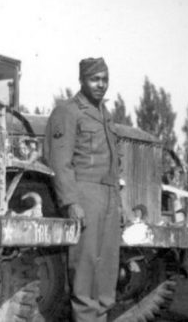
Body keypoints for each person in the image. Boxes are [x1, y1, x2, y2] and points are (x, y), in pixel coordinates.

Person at [44, 57, 120, 322]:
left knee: (107, 270)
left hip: (109, 196)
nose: (101, 85)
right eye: (94, 79)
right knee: (86, 269)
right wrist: (71, 202)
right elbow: (60, 162)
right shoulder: (68, 111)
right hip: (85, 194)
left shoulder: (105, 115)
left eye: (104, 79)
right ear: (82, 80)